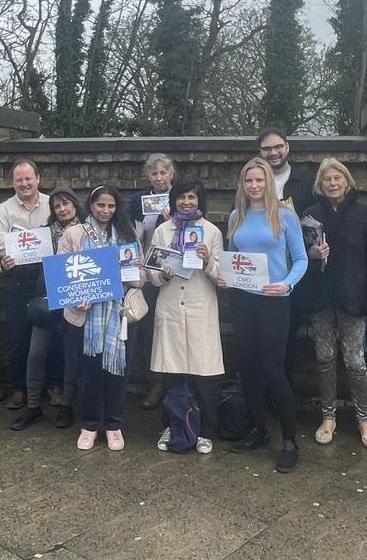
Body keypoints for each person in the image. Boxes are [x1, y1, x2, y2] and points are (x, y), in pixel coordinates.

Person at [220, 157, 308, 473]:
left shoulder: (284, 216)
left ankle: (289, 441)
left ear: (268, 182)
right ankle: (258, 429)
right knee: (248, 368)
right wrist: (223, 275)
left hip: (274, 301)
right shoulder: (236, 216)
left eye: (259, 180)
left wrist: (285, 284)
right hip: (243, 300)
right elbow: (234, 259)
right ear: (242, 185)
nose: (254, 186)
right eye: (249, 181)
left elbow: (300, 259)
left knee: (273, 370)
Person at [303, 158, 367, 450]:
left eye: (337, 178)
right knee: (324, 358)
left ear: (347, 181)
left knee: (354, 360)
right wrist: (312, 255)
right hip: (321, 298)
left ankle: (364, 418)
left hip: (354, 298)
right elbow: (300, 257)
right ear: (320, 184)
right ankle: (328, 416)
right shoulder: (310, 215)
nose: (332, 183)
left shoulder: (364, 214)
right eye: (327, 179)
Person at [59, 186, 144, 450]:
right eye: (100, 205)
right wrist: (76, 297)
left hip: (119, 315)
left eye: (111, 206)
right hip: (86, 316)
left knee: (118, 373)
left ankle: (114, 424)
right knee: (88, 373)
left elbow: (140, 278)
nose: (106, 211)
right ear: (91, 206)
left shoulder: (129, 235)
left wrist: (127, 274)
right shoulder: (73, 233)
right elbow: (64, 272)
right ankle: (89, 424)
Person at [149, 177, 225, 454]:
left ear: (200, 200)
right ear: (174, 200)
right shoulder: (162, 231)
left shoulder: (212, 232)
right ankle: (172, 426)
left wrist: (207, 261)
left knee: (201, 375)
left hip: (199, 308)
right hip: (170, 305)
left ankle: (204, 431)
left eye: (192, 197)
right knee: (172, 374)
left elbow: (221, 277)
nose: (186, 202)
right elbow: (151, 273)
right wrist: (162, 274)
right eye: (181, 197)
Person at [9, 186, 84, 431]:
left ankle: (66, 406)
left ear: (74, 204)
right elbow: (27, 265)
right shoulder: (42, 234)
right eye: (57, 206)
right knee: (36, 354)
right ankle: (33, 407)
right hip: (46, 300)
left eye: (66, 203)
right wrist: (10, 261)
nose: (62, 209)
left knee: (71, 356)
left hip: (75, 301)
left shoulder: (89, 231)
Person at [0, 158, 51, 409]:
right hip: (16, 279)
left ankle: (52, 386)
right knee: (18, 337)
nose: (24, 184)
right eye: (19, 180)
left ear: (38, 179)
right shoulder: (4, 210)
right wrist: (27, 244)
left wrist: (22, 240)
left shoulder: (51, 204)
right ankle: (19, 388)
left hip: (47, 278)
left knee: (52, 333)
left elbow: (64, 233)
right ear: (12, 182)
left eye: (28, 178)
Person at [255, 128, 315, 385]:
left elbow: (316, 220)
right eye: (267, 148)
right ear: (260, 152)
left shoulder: (305, 181)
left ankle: (282, 395)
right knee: (256, 337)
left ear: (287, 147)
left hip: (294, 272)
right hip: (257, 274)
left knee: (288, 336)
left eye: (278, 146)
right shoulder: (252, 180)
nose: (273, 152)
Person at [128, 153, 175, 410]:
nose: (158, 178)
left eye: (163, 173)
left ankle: (173, 386)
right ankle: (153, 383)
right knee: (147, 329)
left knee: (168, 329)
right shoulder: (139, 202)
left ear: (171, 174)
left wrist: (173, 222)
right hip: (146, 273)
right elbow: (132, 235)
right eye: (154, 173)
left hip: (175, 273)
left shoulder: (182, 198)